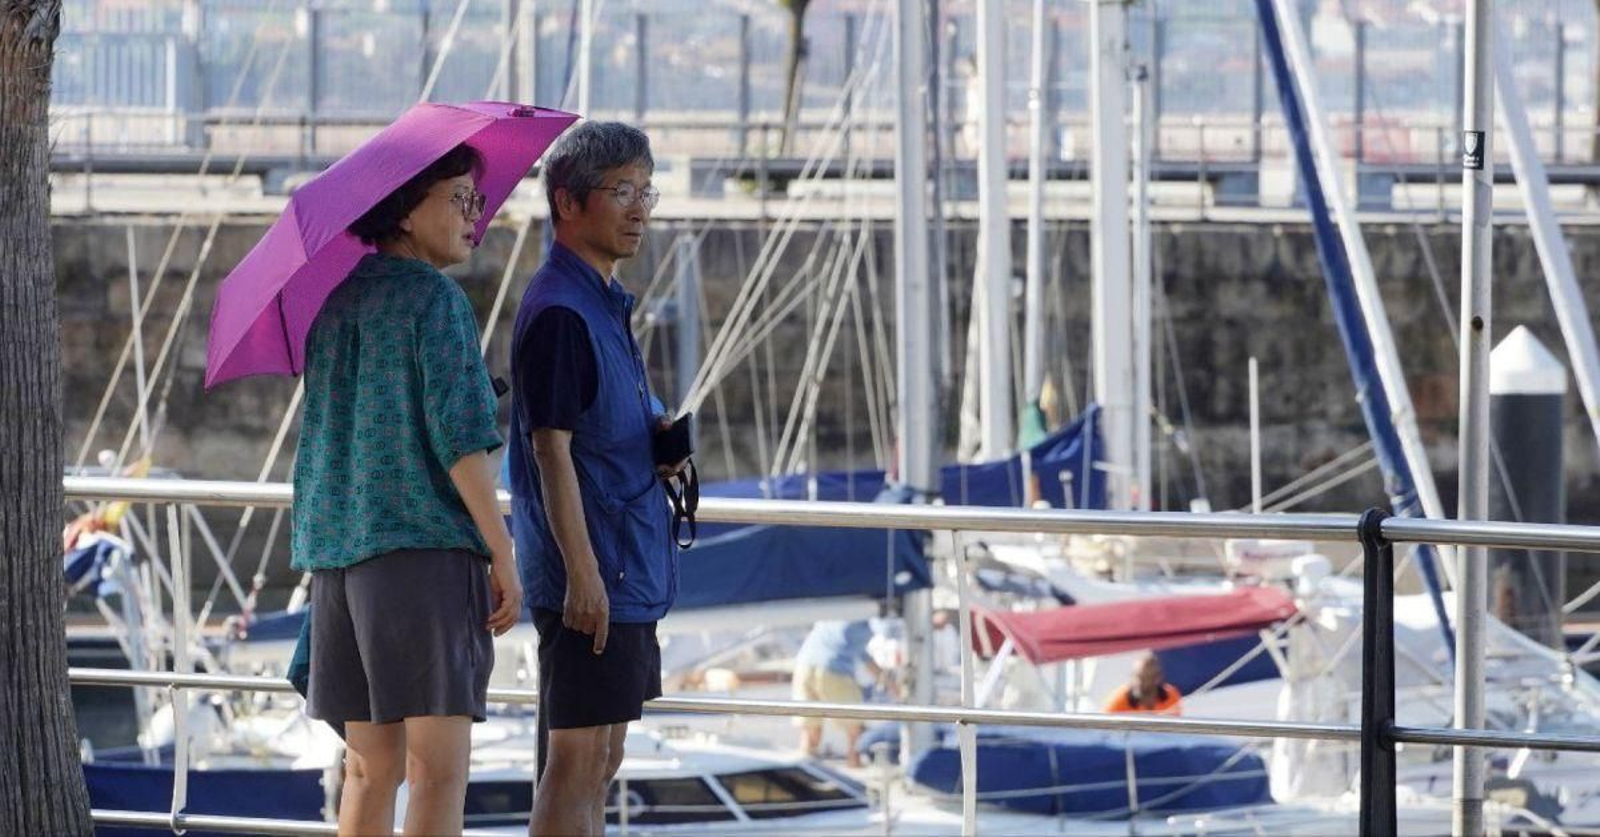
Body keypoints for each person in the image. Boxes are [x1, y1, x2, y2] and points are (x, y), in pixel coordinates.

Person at [291, 142, 523, 836]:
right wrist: (503, 551)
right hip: (421, 559)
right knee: (437, 773)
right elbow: (462, 440)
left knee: (370, 771)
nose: (475, 216)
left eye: (476, 200)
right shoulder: (435, 299)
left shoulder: (336, 302)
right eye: (460, 198)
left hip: (339, 561)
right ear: (404, 208)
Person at [505, 121, 681, 837]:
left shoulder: (602, 301)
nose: (640, 209)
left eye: (646, 191)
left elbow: (592, 427)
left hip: (623, 560)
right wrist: (582, 574)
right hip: (595, 570)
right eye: (622, 191)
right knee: (577, 759)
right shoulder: (561, 311)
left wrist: (655, 440)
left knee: (603, 756)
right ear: (568, 202)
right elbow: (550, 449)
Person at [792, 619, 894, 767]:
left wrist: (889, 683)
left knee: (810, 729)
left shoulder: (835, 615)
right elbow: (887, 627)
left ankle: (804, 765)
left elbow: (862, 654)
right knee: (855, 727)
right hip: (833, 669)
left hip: (804, 665)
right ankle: (854, 764)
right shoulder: (865, 617)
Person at [1103, 653, 1183, 716]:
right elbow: (1104, 728)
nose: (1140, 682)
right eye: (1138, 676)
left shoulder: (1171, 696)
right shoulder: (1118, 701)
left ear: (1158, 677)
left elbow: (1175, 727)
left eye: (1147, 677)